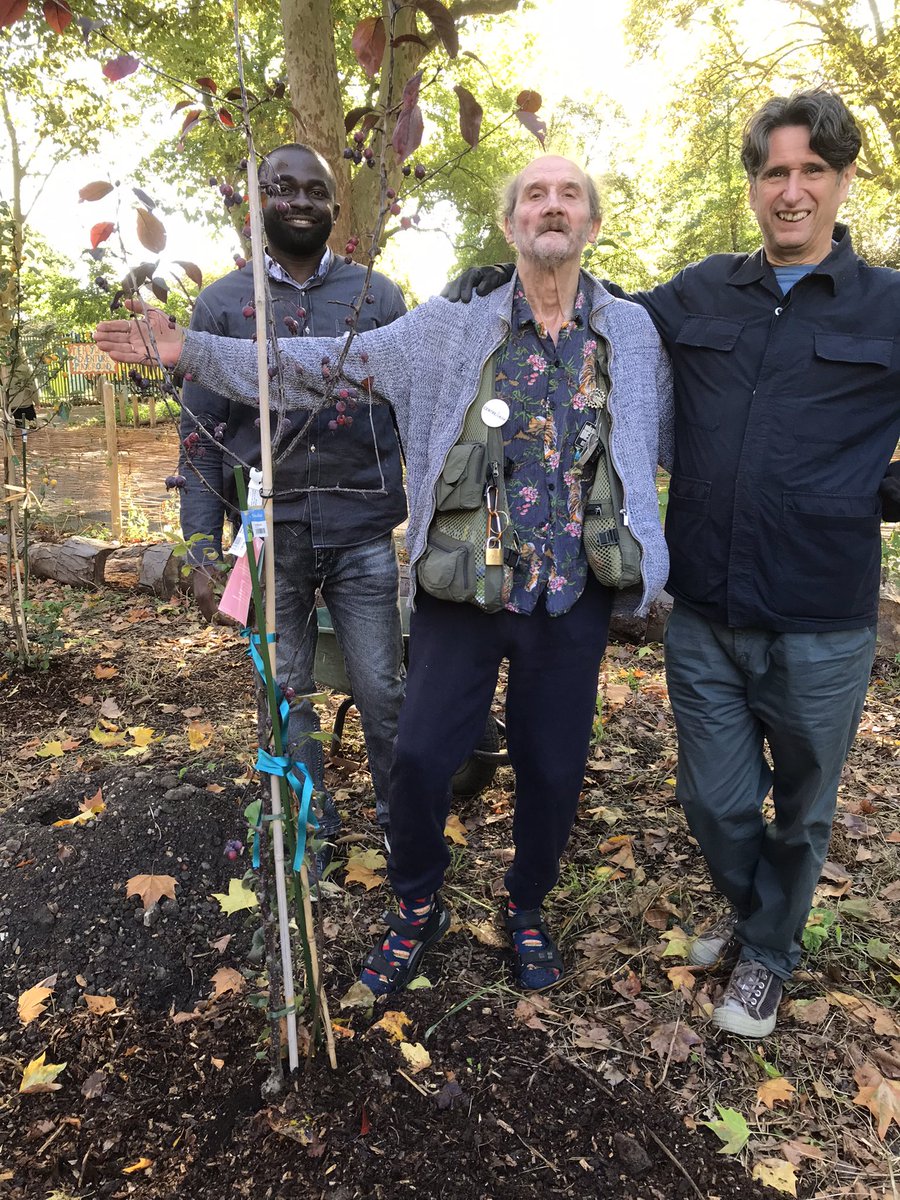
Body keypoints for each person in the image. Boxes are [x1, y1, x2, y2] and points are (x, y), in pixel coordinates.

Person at [95, 153, 674, 995]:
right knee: (419, 759)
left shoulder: (632, 333)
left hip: (570, 598)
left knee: (552, 769)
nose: (552, 207)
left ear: (590, 222)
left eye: (570, 195)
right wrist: (193, 350)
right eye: (535, 196)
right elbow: (319, 367)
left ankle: (526, 908)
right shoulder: (446, 328)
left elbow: (676, 441)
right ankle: (417, 903)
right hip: (456, 593)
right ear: (513, 223)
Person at [447, 89, 900, 1037]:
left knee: (804, 808)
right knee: (716, 799)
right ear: (753, 186)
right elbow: (583, 316)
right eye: (774, 171)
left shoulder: (888, 306)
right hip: (704, 609)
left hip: (823, 615)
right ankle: (754, 918)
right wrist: (499, 280)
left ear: (843, 182)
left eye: (812, 171)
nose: (792, 190)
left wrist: (883, 488)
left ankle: (767, 954)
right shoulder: (696, 294)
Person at [178, 143, 407, 848]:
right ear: (258, 203)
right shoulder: (221, 305)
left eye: (317, 190)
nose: (301, 200)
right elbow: (200, 431)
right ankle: (310, 815)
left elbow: (413, 410)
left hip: (361, 527)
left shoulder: (378, 298)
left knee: (383, 691)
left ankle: (404, 824)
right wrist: (197, 541)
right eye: (284, 188)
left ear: (337, 208)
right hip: (265, 534)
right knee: (283, 690)